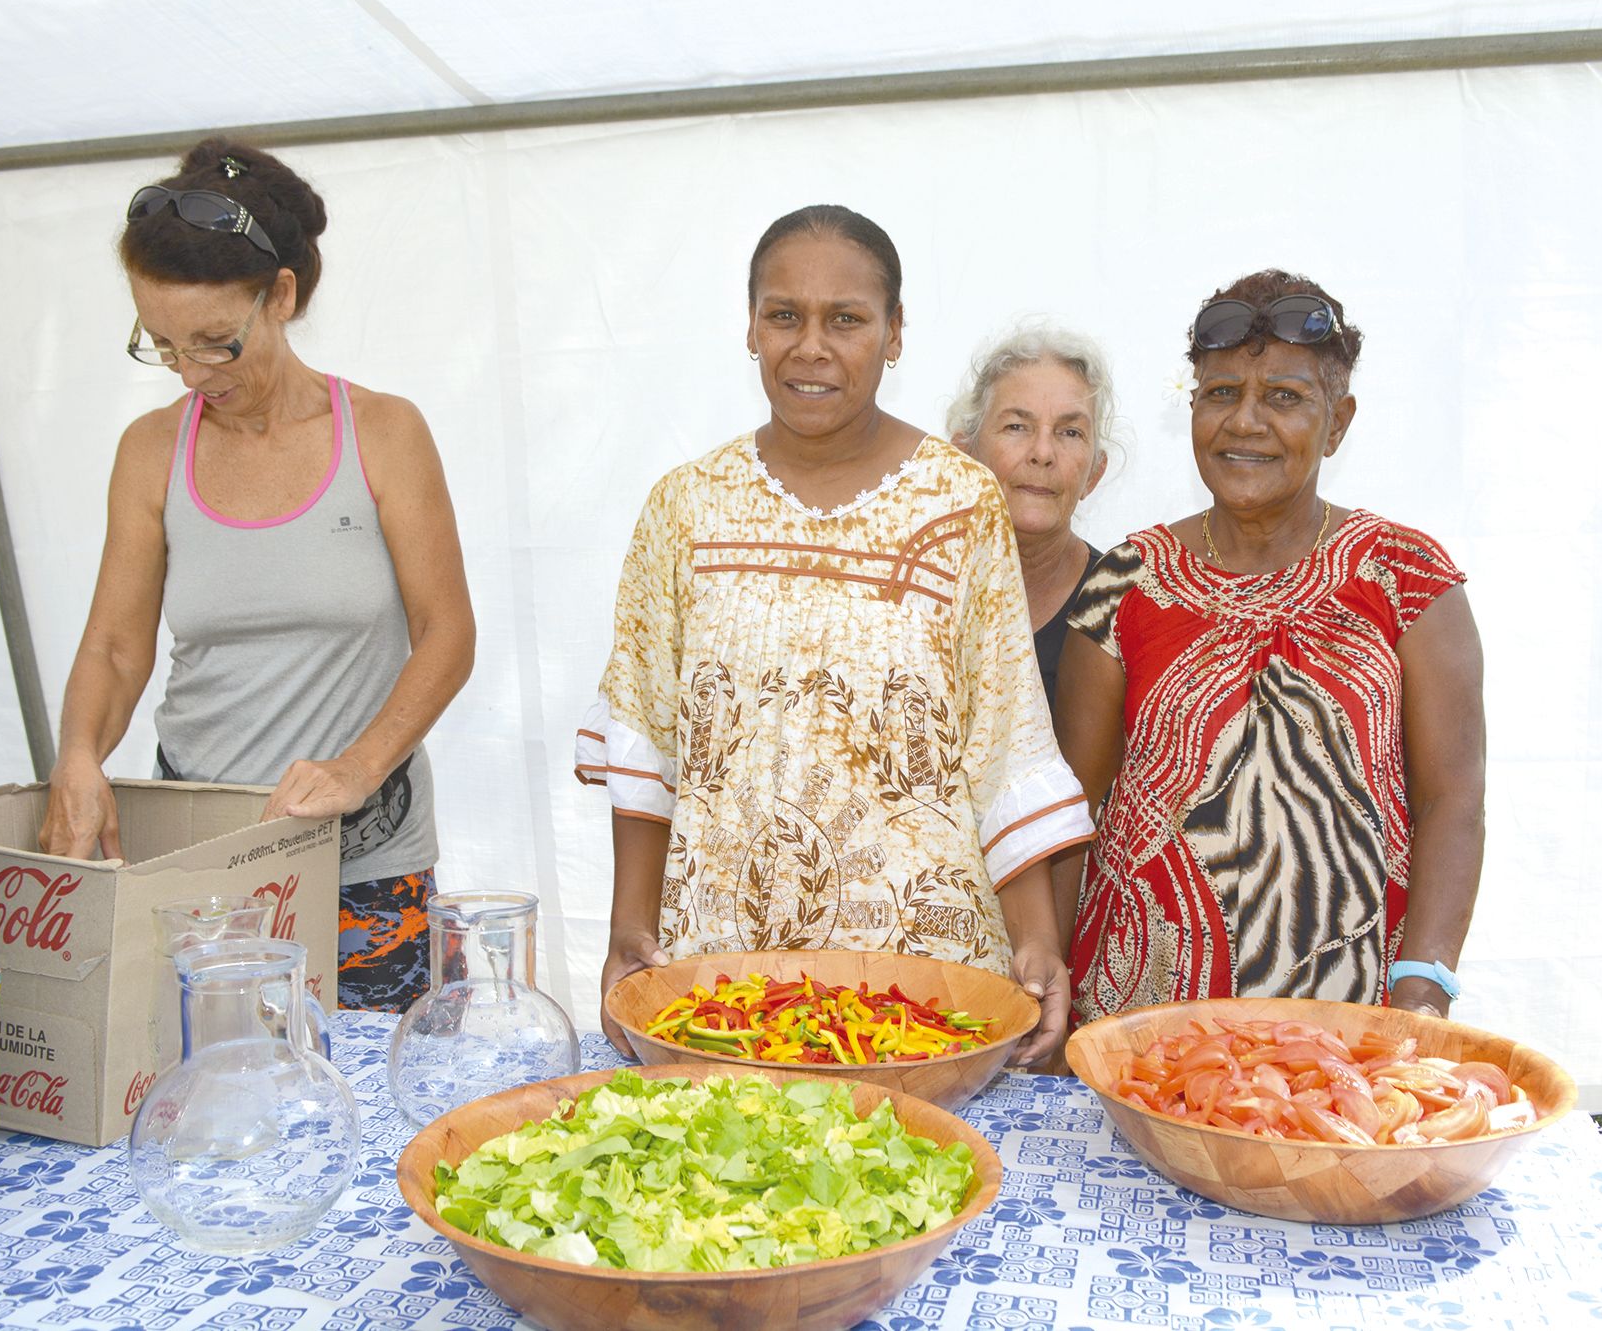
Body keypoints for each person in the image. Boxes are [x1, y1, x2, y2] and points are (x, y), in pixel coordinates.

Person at [580, 204, 1093, 1063]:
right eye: (785, 315)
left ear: (894, 334)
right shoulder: (685, 507)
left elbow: (1004, 743)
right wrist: (629, 924)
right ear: (749, 327)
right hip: (723, 980)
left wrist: (1035, 942)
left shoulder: (960, 503)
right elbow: (648, 735)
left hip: (919, 988)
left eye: (846, 320)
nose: (811, 346)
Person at [38, 138, 475, 1013]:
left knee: (372, 1102)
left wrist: (357, 767)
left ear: (280, 297)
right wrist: (77, 755)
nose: (193, 374)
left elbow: (447, 634)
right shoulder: (151, 451)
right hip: (199, 852)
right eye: (160, 345)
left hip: (365, 859)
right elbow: (118, 646)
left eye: (215, 343)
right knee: (212, 1091)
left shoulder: (383, 433)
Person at [1056, 270, 1484, 1023]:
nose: (1244, 422)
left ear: (1338, 421)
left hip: (1342, 1024)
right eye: (1220, 394)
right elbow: (1070, 813)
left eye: (1283, 397)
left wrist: (1424, 981)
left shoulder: (1405, 578)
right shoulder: (1124, 583)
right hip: (1137, 1028)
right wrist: (1050, 991)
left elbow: (1452, 799)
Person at [948, 324, 1115, 702]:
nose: (1042, 452)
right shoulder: (916, 588)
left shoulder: (1122, 609)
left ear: (1094, 473)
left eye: (1070, 432)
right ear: (964, 456)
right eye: (1016, 426)